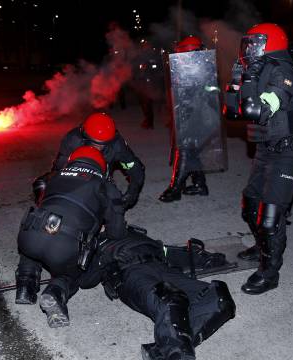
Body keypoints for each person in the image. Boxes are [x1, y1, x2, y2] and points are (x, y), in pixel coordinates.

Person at [224, 23, 293, 295]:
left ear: (269, 44)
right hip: (266, 148)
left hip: (289, 151)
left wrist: (247, 81)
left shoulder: (285, 73)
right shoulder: (260, 70)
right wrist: (235, 82)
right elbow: (232, 113)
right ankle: (262, 246)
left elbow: (256, 111)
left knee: (270, 218)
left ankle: (269, 272)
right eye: (246, 44)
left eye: (253, 44)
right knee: (250, 205)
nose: (248, 50)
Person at [78, 227, 236, 360]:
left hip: (163, 268)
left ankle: (164, 349)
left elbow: (166, 251)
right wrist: (97, 255)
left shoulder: (133, 232)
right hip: (131, 274)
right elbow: (86, 280)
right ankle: (177, 353)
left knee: (220, 300)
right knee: (171, 299)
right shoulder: (95, 243)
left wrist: (202, 258)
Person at [16, 146, 127, 327]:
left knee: (35, 237)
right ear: (102, 167)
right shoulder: (105, 186)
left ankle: (25, 285)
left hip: (28, 236)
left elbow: (42, 199)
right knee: (72, 273)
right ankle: (55, 292)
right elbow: (117, 232)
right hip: (64, 246)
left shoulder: (52, 176)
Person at [38, 112, 145, 210]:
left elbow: (135, 169)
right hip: (73, 176)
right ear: (83, 134)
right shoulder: (73, 139)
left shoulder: (117, 145)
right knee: (41, 184)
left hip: (100, 181)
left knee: (112, 204)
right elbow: (58, 167)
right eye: (93, 143)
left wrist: (130, 196)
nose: (96, 148)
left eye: (101, 145)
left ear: (110, 140)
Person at [159, 36, 210, 203]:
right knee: (192, 150)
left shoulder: (201, 67)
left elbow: (202, 93)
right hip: (194, 115)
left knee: (185, 150)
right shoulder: (193, 66)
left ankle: (176, 188)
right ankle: (200, 184)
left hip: (198, 116)